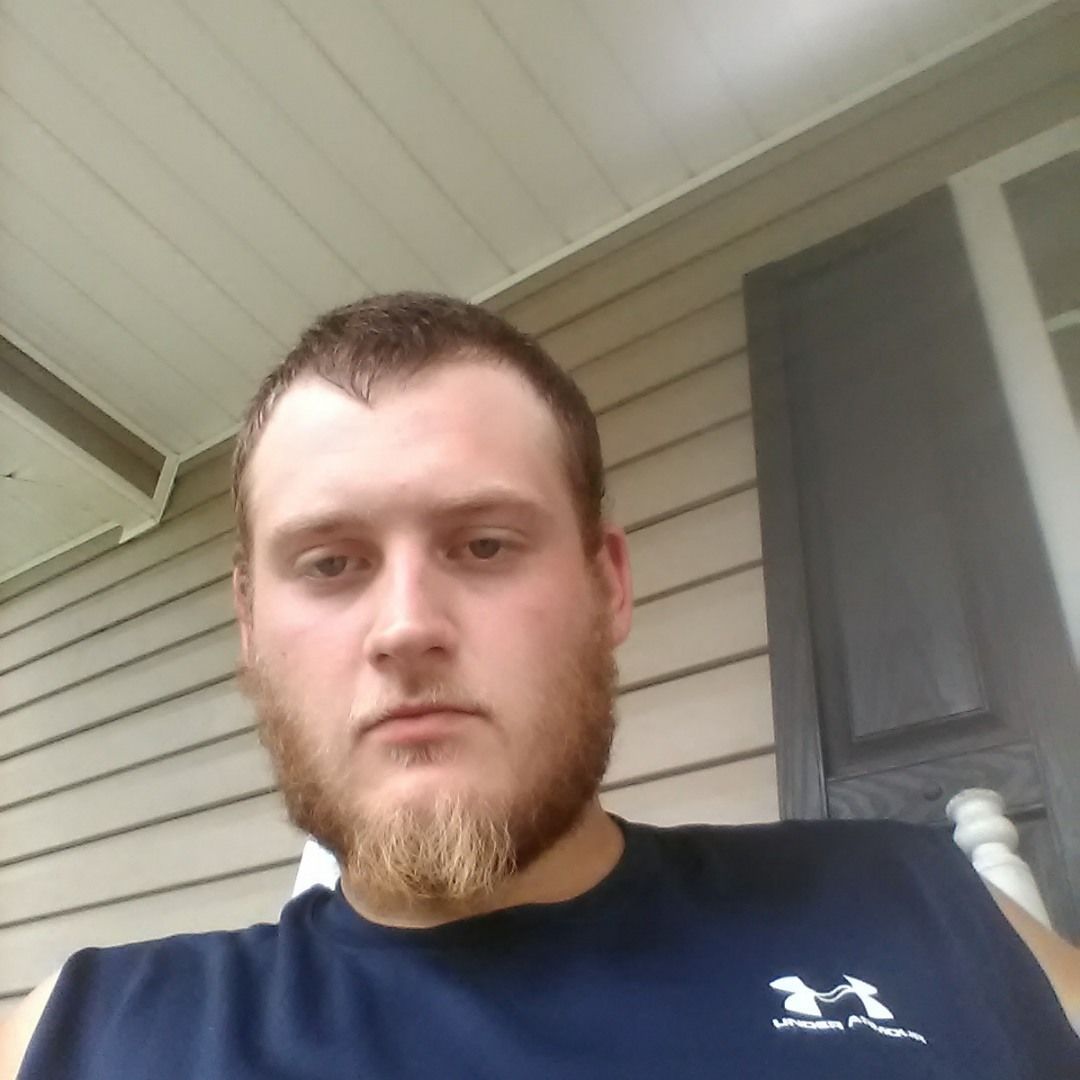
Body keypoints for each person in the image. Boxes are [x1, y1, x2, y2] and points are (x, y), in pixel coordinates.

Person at [2, 293, 1078, 1078]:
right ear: (248, 625)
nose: (406, 627)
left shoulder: (920, 909)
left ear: (607, 585)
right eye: (329, 563)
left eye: (483, 545)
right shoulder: (82, 1035)